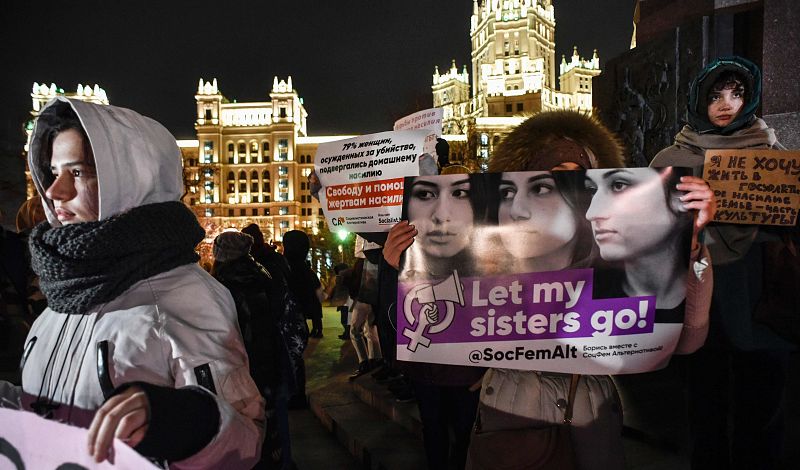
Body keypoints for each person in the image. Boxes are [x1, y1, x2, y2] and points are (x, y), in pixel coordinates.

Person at [0, 98, 264, 468]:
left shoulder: (186, 295)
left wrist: (178, 421)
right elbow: (49, 409)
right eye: (53, 172)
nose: (54, 192)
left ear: (131, 180)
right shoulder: (65, 288)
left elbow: (245, 441)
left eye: (77, 173)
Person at [462, 110, 713, 470]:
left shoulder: (619, 273)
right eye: (545, 182)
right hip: (508, 414)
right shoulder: (479, 265)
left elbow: (687, 340)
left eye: (579, 182)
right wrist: (403, 267)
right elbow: (434, 348)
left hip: (593, 422)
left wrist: (691, 250)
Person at [651, 55, 795, 470]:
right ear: (699, 100)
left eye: (738, 93)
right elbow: (648, 232)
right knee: (704, 404)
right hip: (700, 295)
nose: (727, 103)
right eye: (716, 95)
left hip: (759, 293)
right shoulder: (671, 158)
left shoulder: (775, 154)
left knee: (763, 407)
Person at [385, 170, 489, 470]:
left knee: (464, 436)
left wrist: (494, 363)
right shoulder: (411, 251)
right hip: (426, 371)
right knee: (434, 432)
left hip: (469, 371)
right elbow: (393, 318)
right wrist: (393, 269)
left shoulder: (489, 255)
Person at [212, 231, 296, 470]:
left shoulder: (227, 283)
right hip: (272, 360)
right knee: (276, 422)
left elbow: (244, 329)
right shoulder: (261, 273)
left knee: (257, 426)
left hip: (250, 364)